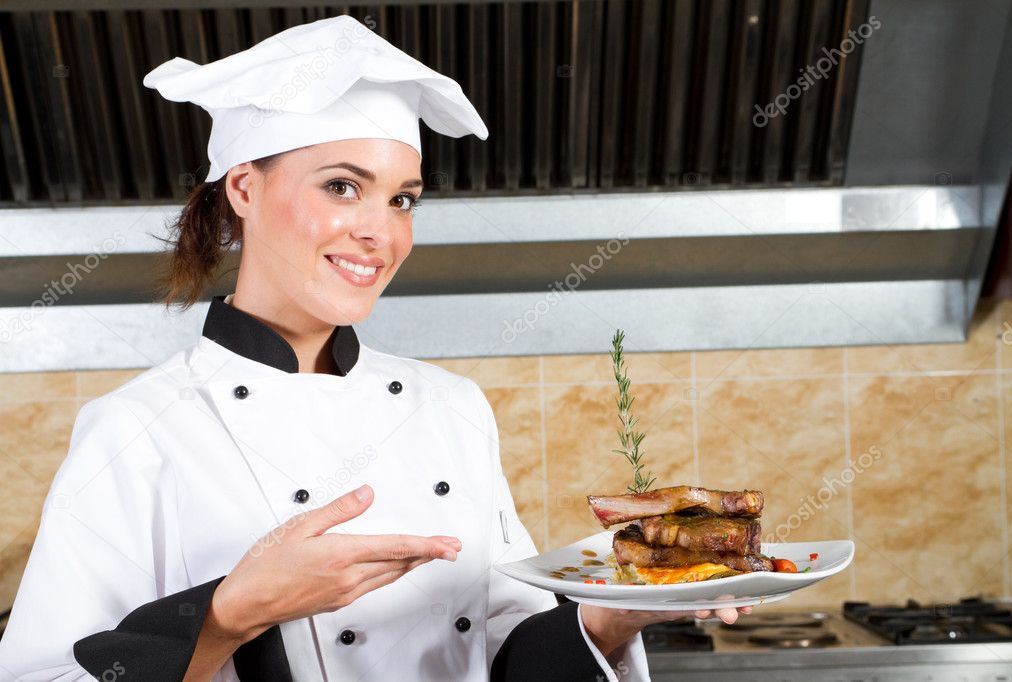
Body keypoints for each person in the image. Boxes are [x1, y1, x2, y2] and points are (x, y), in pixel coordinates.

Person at [0, 15, 747, 682]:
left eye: (402, 199)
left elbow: (506, 650)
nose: (381, 232)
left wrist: (616, 615)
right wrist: (229, 615)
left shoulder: (449, 406)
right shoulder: (136, 431)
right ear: (244, 190)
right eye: (341, 187)